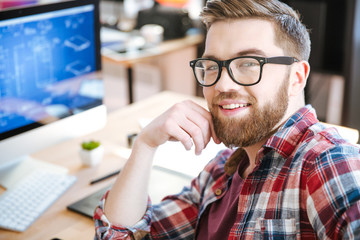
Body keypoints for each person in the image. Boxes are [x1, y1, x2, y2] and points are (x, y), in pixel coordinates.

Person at [94, 0, 360, 239]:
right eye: (212, 66)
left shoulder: (328, 164)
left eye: (248, 63)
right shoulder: (222, 170)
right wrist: (145, 144)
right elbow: (122, 236)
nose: (222, 84)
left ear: (297, 77)